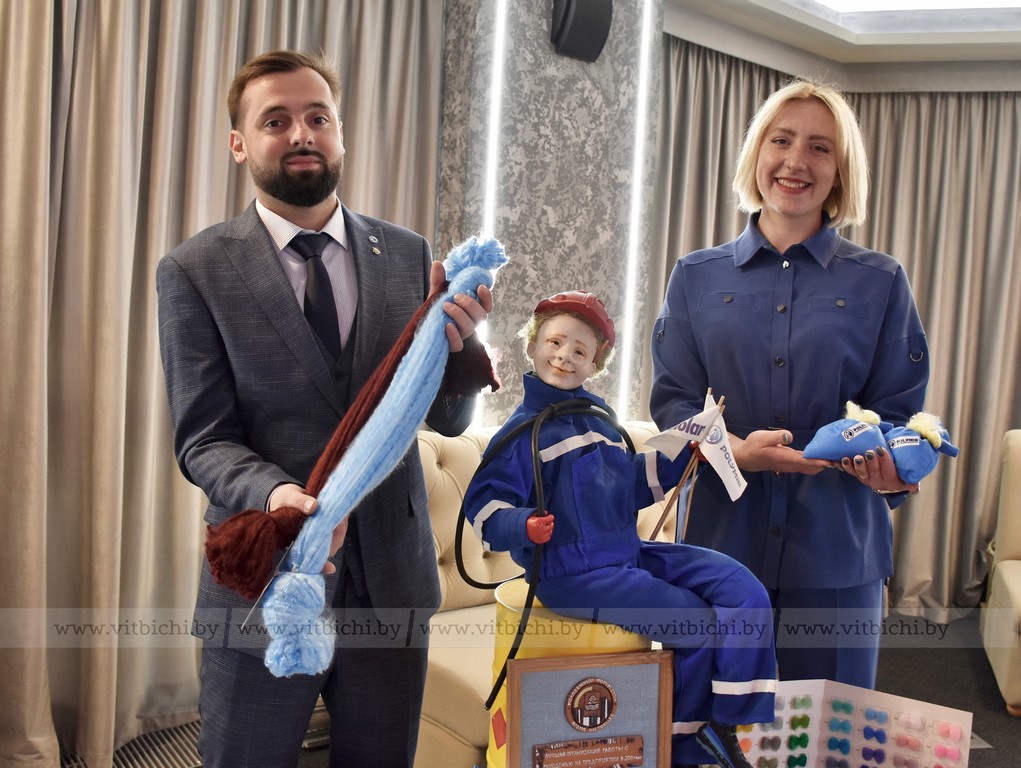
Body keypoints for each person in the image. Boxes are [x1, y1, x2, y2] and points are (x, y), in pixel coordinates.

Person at [156, 50, 492, 768]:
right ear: (240, 143)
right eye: (275, 120)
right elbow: (203, 440)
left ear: (340, 133)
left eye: (318, 117)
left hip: (392, 582)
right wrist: (277, 497)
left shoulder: (407, 254)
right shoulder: (194, 269)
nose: (301, 133)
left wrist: (462, 355)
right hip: (266, 578)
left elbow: (445, 421)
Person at [650, 79, 928, 690]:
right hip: (720, 546)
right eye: (781, 140)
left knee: (830, 731)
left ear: (840, 172)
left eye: (820, 148)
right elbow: (673, 403)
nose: (796, 161)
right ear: (757, 153)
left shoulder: (882, 281)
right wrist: (733, 451)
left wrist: (893, 465)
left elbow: (899, 413)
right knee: (709, 725)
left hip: (837, 554)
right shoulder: (694, 276)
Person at [464, 291, 777, 768]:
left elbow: (630, 485)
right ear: (532, 345)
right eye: (555, 342)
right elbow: (485, 507)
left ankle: (730, 720)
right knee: (693, 624)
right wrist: (523, 524)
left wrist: (686, 453)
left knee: (742, 588)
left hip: (625, 553)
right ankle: (686, 741)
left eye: (580, 350)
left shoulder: (602, 423)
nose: (564, 356)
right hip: (571, 573)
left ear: (595, 364)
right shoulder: (523, 432)